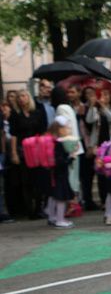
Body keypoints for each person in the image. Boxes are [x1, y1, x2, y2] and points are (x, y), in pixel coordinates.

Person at [8, 89, 47, 218]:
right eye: (18, 97)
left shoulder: (38, 112)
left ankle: (39, 208)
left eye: (23, 96)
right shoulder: (15, 115)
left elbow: (43, 132)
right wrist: (13, 153)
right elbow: (13, 134)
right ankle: (30, 209)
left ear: (28, 97)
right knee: (26, 180)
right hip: (22, 150)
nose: (21, 99)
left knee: (39, 179)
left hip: (37, 149)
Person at [44, 117, 77, 228]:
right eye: (67, 128)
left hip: (54, 174)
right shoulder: (59, 143)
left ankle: (51, 217)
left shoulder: (53, 142)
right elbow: (61, 162)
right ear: (60, 129)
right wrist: (71, 157)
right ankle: (60, 219)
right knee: (61, 197)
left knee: (54, 196)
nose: (69, 130)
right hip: (60, 174)